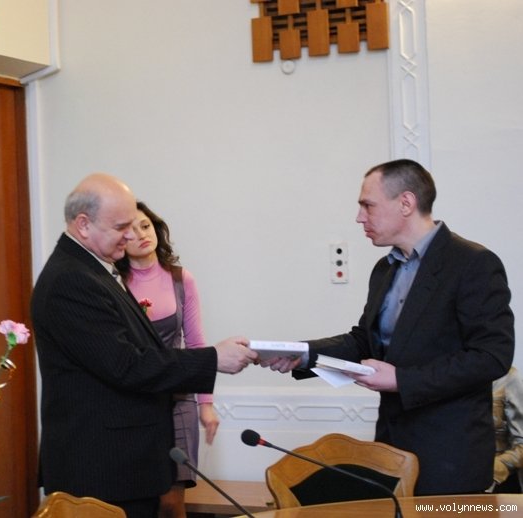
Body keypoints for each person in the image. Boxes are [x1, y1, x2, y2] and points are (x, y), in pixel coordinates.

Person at [264, 158, 514, 495]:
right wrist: (303, 354)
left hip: (450, 457)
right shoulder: (385, 268)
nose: (359, 217)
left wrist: (401, 380)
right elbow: (364, 341)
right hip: (390, 449)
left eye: (368, 205)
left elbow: (491, 357)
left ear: (406, 203)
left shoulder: (473, 263)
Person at [31, 173, 257, 517]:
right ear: (83, 224)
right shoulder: (71, 280)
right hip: (104, 469)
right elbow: (128, 365)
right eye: (121, 226)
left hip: (123, 467)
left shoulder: (93, 269)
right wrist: (213, 359)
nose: (131, 235)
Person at [114, 201, 218, 518]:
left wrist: (206, 404)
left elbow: (196, 344)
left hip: (179, 400)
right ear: (120, 242)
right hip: (138, 400)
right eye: (130, 231)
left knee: (172, 502)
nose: (141, 235)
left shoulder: (181, 279)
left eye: (145, 226)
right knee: (142, 500)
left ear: (156, 228)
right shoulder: (116, 285)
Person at [492, 366, 523, 493]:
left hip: (498, 483)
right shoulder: (446, 373)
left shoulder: (509, 377)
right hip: (451, 475)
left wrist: (494, 468)